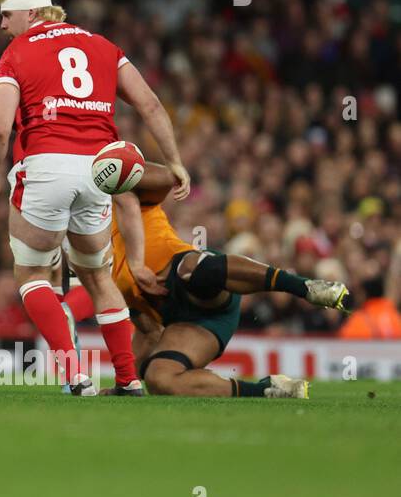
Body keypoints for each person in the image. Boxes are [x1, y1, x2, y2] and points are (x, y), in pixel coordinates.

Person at [0, 0, 188, 396]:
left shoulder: (17, 52)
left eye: (7, 14)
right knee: (98, 277)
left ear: (32, 12)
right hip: (99, 170)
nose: (2, 25)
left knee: (32, 272)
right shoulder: (103, 46)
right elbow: (148, 103)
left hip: (46, 166)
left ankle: (74, 373)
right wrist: (175, 161)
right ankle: (128, 379)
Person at [111, 161, 349, 397]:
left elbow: (164, 178)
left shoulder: (123, 191)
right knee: (159, 379)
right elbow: (147, 330)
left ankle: (305, 288)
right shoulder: (91, 259)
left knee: (190, 270)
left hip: (201, 277)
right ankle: (266, 389)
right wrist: (126, 383)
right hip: (186, 321)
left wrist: (170, 164)